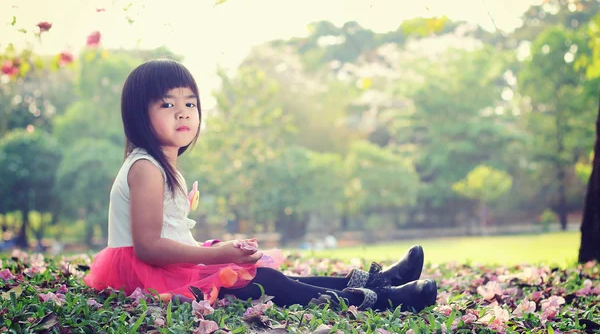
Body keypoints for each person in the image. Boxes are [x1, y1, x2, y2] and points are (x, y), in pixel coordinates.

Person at [84, 59, 437, 311]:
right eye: (167, 104)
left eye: (190, 103)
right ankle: (385, 299)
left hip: (168, 266)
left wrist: (221, 253)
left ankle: (381, 281)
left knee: (266, 273)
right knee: (267, 284)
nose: (183, 112)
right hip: (148, 276)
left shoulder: (160, 163)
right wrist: (217, 255)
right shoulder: (145, 167)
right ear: (137, 114)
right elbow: (147, 248)